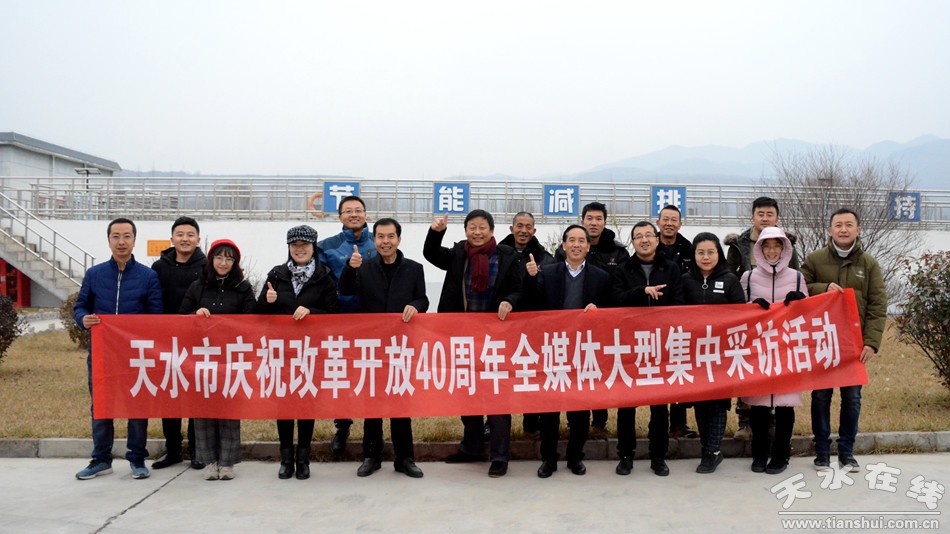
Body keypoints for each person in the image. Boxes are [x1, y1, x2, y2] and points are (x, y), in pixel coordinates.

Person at [424, 209, 522, 478]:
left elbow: (519, 289)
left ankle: (500, 455)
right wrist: (436, 232)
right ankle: (472, 447)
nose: (477, 232)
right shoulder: (459, 254)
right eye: (472, 228)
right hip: (462, 337)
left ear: (492, 230)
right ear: (466, 230)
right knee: (468, 394)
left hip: (496, 339)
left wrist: (510, 300)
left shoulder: (507, 256)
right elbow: (431, 254)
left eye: (482, 227)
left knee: (497, 397)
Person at [74, 218, 163, 480]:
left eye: (126, 236)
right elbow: (81, 306)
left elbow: (156, 315)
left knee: (137, 406)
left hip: (135, 355)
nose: (121, 242)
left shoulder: (148, 276)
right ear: (109, 240)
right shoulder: (95, 274)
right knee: (102, 406)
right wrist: (83, 319)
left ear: (134, 240)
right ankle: (101, 459)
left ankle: (137, 458)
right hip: (103, 353)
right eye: (116, 236)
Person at [339, 218, 428, 479]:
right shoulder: (365, 267)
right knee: (373, 404)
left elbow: (423, 298)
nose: (385, 241)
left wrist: (415, 306)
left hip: (401, 346)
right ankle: (371, 456)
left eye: (390, 236)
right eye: (380, 237)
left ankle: (405, 458)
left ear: (399, 239)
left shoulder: (414, 269)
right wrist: (349, 268)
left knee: (401, 404)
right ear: (374, 239)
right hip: (373, 347)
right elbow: (345, 290)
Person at [801, 208, 886, 473]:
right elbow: (799, 289)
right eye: (838, 225)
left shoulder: (869, 264)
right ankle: (822, 452)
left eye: (849, 225)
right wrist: (822, 288)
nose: (843, 229)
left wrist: (871, 342)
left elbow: (878, 305)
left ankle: (847, 452)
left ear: (858, 230)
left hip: (854, 343)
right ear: (830, 230)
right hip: (823, 340)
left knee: (852, 398)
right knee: (821, 396)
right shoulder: (815, 259)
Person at [523, 224, 610, 478]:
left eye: (581, 241)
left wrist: (599, 310)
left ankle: (575, 457)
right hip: (553, 349)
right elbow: (532, 304)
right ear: (563, 246)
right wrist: (531, 278)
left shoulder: (601, 276)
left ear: (588, 246)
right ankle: (548, 459)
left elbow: (611, 307)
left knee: (580, 409)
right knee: (550, 409)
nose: (576, 245)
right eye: (571, 240)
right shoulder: (548, 272)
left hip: (584, 351)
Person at [258, 225, 340, 480]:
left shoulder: (325, 277)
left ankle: (303, 459)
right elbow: (258, 313)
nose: (300, 249)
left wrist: (312, 312)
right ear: (289, 248)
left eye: (305, 245)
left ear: (313, 248)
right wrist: (267, 302)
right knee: (283, 405)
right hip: (281, 351)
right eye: (295, 245)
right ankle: (285, 459)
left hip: (311, 352)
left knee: (306, 404)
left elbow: (334, 314)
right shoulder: (276, 274)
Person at [610, 221, 683, 477]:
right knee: (626, 404)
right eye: (638, 236)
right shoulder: (622, 269)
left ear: (657, 239)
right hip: (630, 345)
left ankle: (658, 456)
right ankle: (625, 456)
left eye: (649, 235)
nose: (644, 240)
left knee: (659, 405)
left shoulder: (671, 268)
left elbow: (679, 303)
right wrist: (642, 292)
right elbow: (615, 300)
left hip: (661, 345)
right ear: (632, 242)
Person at [179, 239, 256, 480]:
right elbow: (180, 317)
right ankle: (209, 462)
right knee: (203, 409)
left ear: (235, 263)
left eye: (229, 259)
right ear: (211, 260)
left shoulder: (243, 288)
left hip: (231, 358)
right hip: (201, 358)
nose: (223, 263)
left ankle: (228, 462)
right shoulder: (197, 287)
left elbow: (252, 318)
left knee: (229, 409)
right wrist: (195, 315)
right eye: (219, 258)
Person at [724, 196, 799, 441]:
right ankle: (745, 421)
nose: (765, 218)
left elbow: (794, 274)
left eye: (770, 214)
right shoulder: (738, 245)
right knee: (750, 370)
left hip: (780, 320)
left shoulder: (787, 244)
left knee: (777, 371)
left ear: (777, 218)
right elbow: (729, 276)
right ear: (752, 217)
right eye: (760, 214)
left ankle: (773, 422)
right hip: (752, 316)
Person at [555, 201, 629, 437]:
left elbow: (620, 288)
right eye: (590, 218)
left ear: (605, 222)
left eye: (599, 219)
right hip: (569, 327)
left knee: (597, 372)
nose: (594, 223)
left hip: (602, 324)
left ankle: (599, 422)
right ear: (583, 220)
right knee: (572, 374)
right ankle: (574, 422)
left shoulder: (618, 252)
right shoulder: (565, 251)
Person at [739, 227, 809, 475]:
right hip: (758, 349)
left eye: (776, 246)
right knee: (758, 406)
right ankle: (759, 453)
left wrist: (799, 301)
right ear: (759, 249)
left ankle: (781, 454)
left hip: (786, 348)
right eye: (766, 246)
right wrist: (751, 306)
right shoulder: (748, 277)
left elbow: (808, 314)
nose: (771, 251)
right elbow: (737, 313)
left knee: (784, 406)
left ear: (784, 249)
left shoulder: (797, 277)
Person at [317, 195, 377, 457]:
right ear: (340, 216)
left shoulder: (380, 241)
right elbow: (321, 284)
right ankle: (342, 427)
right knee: (341, 376)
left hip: (374, 324)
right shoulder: (326, 246)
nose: (354, 214)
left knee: (372, 377)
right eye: (348, 211)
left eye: (358, 210)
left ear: (365, 214)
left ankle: (372, 433)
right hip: (340, 323)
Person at [681, 232, 745, 473]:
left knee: (718, 403)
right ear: (694, 255)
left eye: (711, 252)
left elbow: (741, 315)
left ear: (719, 254)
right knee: (700, 401)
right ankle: (706, 448)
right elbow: (676, 313)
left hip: (722, 354)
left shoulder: (730, 280)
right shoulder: (685, 280)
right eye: (701, 252)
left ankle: (713, 451)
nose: (706, 257)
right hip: (695, 353)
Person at [151, 216, 207, 470]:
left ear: (198, 239)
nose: (185, 239)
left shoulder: (206, 266)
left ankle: (197, 449)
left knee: (196, 395)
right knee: (170, 395)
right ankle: (173, 449)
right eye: (180, 234)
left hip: (197, 342)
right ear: (172, 238)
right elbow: (152, 302)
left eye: (190, 235)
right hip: (166, 342)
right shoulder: (158, 267)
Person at [499, 211, 554, 439]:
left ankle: (532, 422)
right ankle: (494, 422)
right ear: (511, 228)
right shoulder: (498, 253)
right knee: (500, 376)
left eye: (528, 226)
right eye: (519, 226)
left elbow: (548, 292)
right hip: (503, 326)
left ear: (534, 231)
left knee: (533, 375)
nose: (523, 230)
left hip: (534, 330)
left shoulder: (546, 259)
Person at [655, 205, 697, 439]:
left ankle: (679, 424)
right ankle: (659, 425)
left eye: (674, 220)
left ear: (680, 224)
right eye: (665, 219)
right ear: (658, 222)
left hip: (682, 319)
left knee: (679, 371)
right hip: (654, 320)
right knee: (658, 371)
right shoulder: (649, 244)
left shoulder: (689, 249)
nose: (669, 223)